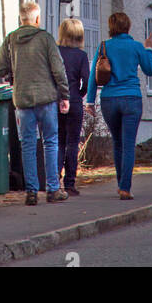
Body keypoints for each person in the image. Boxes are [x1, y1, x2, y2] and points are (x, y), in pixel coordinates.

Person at [0, 1, 70, 205]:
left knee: (27, 145)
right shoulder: (45, 38)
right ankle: (53, 189)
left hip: (22, 100)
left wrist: (14, 68)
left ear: (21, 19)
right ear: (37, 19)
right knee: (50, 142)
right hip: (47, 99)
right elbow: (58, 69)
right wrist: (65, 95)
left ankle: (31, 192)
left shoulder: (11, 40)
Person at [86, 11, 152, 201]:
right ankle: (125, 187)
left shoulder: (104, 47)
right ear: (128, 26)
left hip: (109, 99)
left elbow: (94, 75)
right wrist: (149, 49)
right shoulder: (136, 47)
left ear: (111, 27)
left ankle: (120, 184)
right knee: (128, 145)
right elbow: (150, 70)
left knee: (117, 143)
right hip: (132, 98)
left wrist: (90, 102)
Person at [56, 18, 89, 196]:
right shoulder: (81, 56)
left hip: (56, 100)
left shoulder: (55, 52)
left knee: (58, 141)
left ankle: (55, 180)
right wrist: (80, 94)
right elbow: (87, 79)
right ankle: (70, 183)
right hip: (74, 101)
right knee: (72, 142)